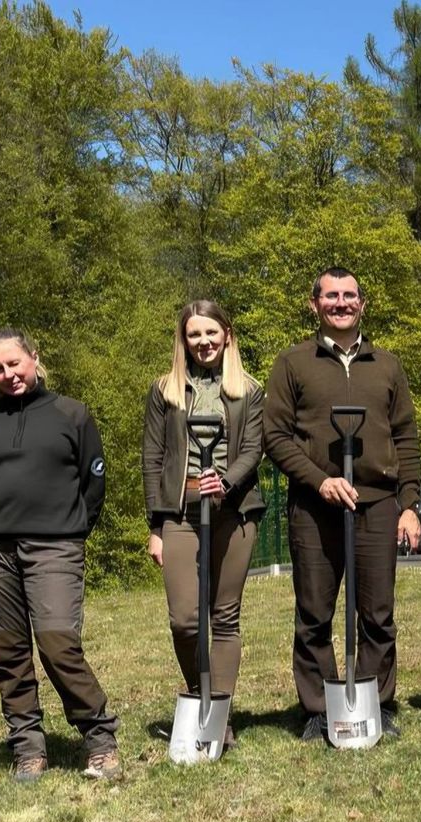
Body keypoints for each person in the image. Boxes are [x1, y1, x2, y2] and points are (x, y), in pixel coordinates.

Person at [263, 267, 421, 741]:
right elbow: (275, 435)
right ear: (314, 304)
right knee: (314, 612)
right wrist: (320, 480)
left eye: (349, 295)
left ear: (362, 303)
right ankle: (318, 707)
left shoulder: (387, 365)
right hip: (315, 507)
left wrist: (409, 503)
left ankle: (375, 702)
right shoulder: (293, 363)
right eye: (331, 296)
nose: (341, 303)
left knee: (377, 613)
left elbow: (407, 438)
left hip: (377, 502)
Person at [0, 328, 120, 781]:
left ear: (35, 357)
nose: (8, 374)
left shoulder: (72, 413)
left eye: (15, 363)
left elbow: (95, 481)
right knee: (7, 654)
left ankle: (100, 739)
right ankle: (28, 749)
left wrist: (72, 531)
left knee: (58, 646)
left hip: (54, 546)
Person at [142, 300, 266, 742]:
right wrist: (156, 527)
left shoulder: (248, 391)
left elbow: (254, 449)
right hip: (181, 512)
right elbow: (153, 458)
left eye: (211, 333)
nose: (203, 342)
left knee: (225, 616)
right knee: (185, 620)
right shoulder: (165, 391)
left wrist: (227, 481)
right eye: (194, 334)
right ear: (184, 340)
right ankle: (200, 693)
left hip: (234, 513)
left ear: (227, 334)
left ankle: (220, 717)